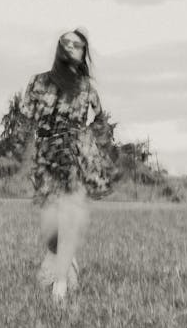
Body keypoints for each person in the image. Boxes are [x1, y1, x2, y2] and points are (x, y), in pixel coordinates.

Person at [20, 28, 116, 300]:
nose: (73, 48)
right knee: (50, 223)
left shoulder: (87, 89)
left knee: (67, 213)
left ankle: (60, 283)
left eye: (79, 46)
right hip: (46, 154)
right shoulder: (38, 82)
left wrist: (93, 144)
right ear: (60, 48)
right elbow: (26, 116)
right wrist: (21, 151)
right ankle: (63, 257)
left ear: (84, 54)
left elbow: (100, 119)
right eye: (69, 43)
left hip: (74, 154)